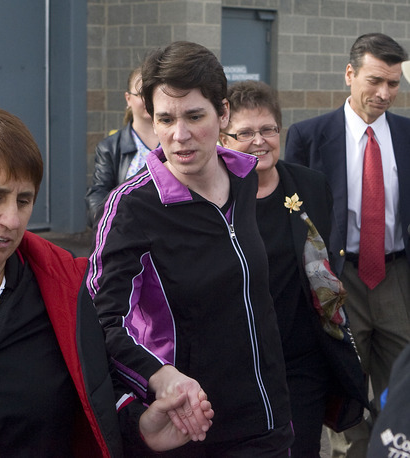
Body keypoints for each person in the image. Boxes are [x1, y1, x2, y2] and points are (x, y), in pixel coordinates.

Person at [0, 96, 214, 457]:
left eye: (24, 201)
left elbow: (95, 403)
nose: (12, 219)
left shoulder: (69, 291)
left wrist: (140, 429)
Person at [86, 41, 293, 457]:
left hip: (266, 424)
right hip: (187, 430)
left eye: (195, 116)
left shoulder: (244, 180)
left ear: (224, 113)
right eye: (165, 118)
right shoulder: (133, 206)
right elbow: (100, 321)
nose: (179, 135)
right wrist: (159, 376)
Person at [219, 80, 368, 457]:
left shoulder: (310, 185)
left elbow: (322, 265)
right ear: (223, 138)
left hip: (303, 359)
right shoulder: (213, 197)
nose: (259, 141)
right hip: (239, 363)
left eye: (268, 129)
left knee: (301, 449)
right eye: (245, 132)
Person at [285, 33, 410, 457]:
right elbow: (296, 219)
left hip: (397, 278)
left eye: (393, 84)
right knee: (347, 390)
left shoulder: (408, 136)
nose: (384, 93)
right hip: (339, 280)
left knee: (403, 387)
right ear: (349, 74)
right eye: (375, 80)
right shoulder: (309, 137)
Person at [85, 66, 159, 226]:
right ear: (128, 99)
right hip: (126, 232)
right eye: (141, 94)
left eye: (152, 93)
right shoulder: (110, 147)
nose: (148, 100)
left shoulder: (176, 140)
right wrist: (111, 223)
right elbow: (98, 193)